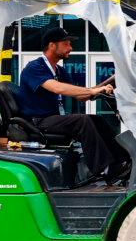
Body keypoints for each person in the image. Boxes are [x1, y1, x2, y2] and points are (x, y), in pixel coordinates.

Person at [17, 26, 128, 182]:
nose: (71, 48)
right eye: (66, 44)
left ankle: (122, 162)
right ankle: (105, 169)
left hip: (52, 119)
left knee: (97, 120)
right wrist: (93, 90)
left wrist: (106, 85)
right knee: (83, 121)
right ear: (52, 45)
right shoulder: (35, 67)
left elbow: (81, 95)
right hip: (37, 121)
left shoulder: (59, 71)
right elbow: (56, 88)